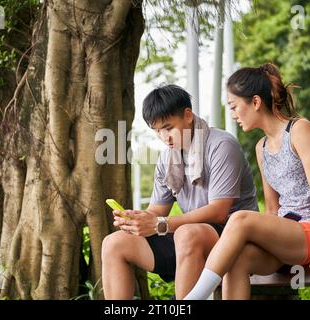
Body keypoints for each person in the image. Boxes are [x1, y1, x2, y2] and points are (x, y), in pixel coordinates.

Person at [183, 63, 310, 300]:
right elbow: (272, 209)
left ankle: (191, 300)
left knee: (239, 218)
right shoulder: (262, 148)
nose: (233, 114)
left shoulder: (300, 130)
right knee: (237, 259)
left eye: (234, 106)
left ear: (256, 102)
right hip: (289, 236)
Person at [101, 84, 259, 299]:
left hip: (234, 237)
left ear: (187, 115)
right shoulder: (167, 158)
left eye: (168, 128)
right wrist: (138, 219)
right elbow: (157, 208)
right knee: (114, 243)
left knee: (187, 234)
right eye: (157, 131)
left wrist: (160, 224)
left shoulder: (222, 145)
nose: (164, 137)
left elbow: (219, 212)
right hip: (191, 239)